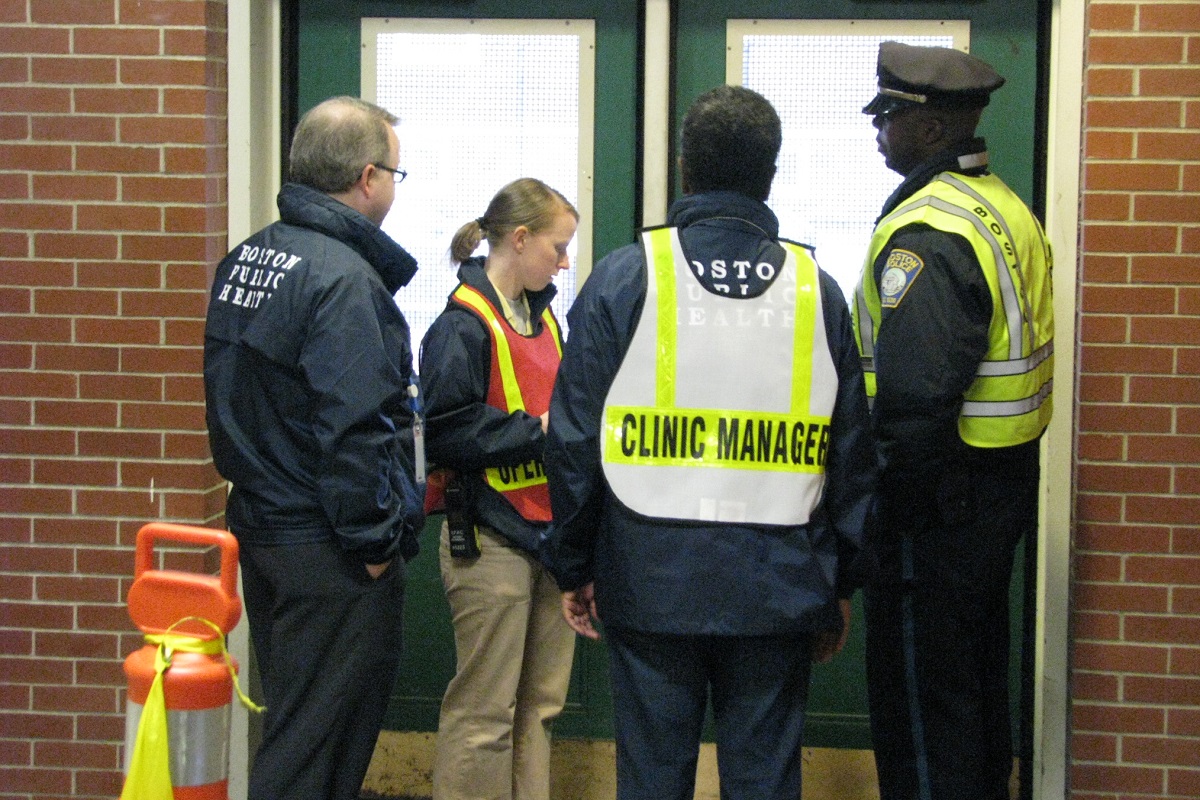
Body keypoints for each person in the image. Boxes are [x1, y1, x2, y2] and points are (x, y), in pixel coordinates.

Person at [541, 85, 877, 800]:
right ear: (771, 172)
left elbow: (573, 438)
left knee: (653, 779)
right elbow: (851, 453)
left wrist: (573, 562)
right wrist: (839, 581)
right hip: (780, 584)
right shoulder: (818, 290)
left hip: (648, 577)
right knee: (764, 782)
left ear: (685, 167)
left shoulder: (625, 280)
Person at [203, 95, 424, 800]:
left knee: (297, 728)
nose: (394, 186)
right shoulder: (345, 283)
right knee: (315, 754)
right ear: (367, 178)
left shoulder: (248, 258)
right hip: (330, 548)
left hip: (264, 526)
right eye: (396, 172)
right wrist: (375, 543)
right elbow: (355, 428)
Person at [852, 42, 1054, 800]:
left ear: (933, 130)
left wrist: (887, 519)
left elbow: (915, 399)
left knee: (923, 708)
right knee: (969, 691)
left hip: (933, 510)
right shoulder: (1001, 205)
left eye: (890, 116)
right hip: (991, 495)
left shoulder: (931, 232)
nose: (877, 129)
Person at [421, 178, 580, 800]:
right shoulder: (461, 326)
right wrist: (538, 431)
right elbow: (443, 431)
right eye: (558, 247)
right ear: (519, 239)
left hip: (546, 536)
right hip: (489, 541)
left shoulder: (547, 321)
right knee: (485, 714)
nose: (565, 262)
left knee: (540, 708)